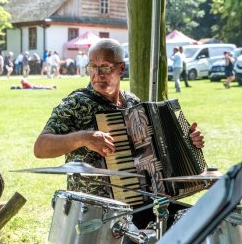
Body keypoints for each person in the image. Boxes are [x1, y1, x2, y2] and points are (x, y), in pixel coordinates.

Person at [34, 39, 205, 236]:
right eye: (92, 67)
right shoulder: (76, 104)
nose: (97, 75)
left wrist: (188, 144)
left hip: (140, 203)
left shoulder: (133, 102)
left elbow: (157, 150)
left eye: (105, 67)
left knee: (192, 224)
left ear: (121, 68)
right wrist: (82, 138)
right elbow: (40, 147)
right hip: (96, 210)